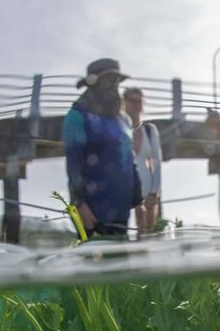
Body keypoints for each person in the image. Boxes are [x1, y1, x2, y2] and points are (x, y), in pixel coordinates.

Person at [63, 58, 141, 237]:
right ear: (93, 84)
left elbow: (130, 161)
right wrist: (79, 203)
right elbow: (73, 164)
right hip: (92, 212)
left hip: (121, 210)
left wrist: (138, 201)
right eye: (108, 80)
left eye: (116, 81)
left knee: (123, 261)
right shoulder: (77, 117)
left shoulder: (123, 120)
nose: (113, 86)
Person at [122, 87, 163, 233]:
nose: (137, 105)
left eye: (139, 101)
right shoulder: (118, 128)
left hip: (147, 193)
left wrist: (154, 193)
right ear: (124, 102)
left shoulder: (150, 130)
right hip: (124, 191)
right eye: (132, 101)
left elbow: (157, 163)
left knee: (148, 234)